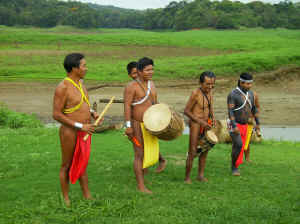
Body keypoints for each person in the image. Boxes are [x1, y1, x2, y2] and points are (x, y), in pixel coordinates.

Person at [53, 53, 99, 206]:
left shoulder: (81, 84)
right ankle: (66, 198)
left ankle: (87, 195)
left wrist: (93, 113)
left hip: (85, 131)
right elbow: (56, 114)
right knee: (66, 165)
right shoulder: (63, 87)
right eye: (83, 66)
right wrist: (80, 126)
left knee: (82, 163)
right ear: (74, 68)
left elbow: (83, 104)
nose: (86, 68)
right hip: (70, 131)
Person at [123, 57, 167, 194]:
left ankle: (143, 179)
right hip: (137, 124)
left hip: (151, 124)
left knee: (149, 152)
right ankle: (141, 186)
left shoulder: (152, 85)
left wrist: (162, 116)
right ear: (140, 71)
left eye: (152, 69)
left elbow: (155, 102)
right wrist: (128, 126)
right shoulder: (131, 87)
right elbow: (127, 107)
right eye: (147, 70)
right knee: (139, 154)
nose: (151, 72)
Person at [184, 71, 216, 184]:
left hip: (206, 123)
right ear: (200, 83)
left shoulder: (210, 93)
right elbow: (186, 111)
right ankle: (187, 178)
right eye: (207, 84)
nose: (210, 87)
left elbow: (210, 107)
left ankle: (200, 176)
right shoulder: (195, 93)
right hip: (196, 124)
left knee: (204, 150)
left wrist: (213, 119)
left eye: (212, 84)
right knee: (192, 151)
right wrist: (200, 122)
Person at [227, 73, 260, 176]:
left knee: (239, 147)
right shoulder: (233, 94)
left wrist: (257, 123)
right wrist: (234, 125)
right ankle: (234, 167)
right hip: (234, 124)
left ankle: (235, 164)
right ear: (241, 82)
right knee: (239, 144)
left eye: (250, 83)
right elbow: (230, 111)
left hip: (245, 125)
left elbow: (254, 109)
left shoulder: (251, 94)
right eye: (247, 84)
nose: (249, 86)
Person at [244, 90, 261, 162]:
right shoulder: (236, 94)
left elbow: (257, 107)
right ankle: (236, 159)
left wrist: (255, 120)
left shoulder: (254, 95)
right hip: (239, 121)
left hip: (250, 122)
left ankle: (247, 158)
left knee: (247, 141)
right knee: (238, 142)